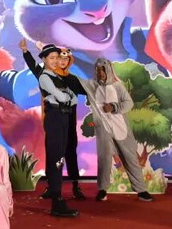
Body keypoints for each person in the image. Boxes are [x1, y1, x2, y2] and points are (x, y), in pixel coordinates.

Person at [78, 58, 153, 203]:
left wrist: (114, 107)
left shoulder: (117, 85)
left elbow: (129, 103)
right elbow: (76, 81)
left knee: (130, 159)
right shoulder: (92, 86)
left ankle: (141, 190)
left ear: (109, 70)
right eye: (98, 70)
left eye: (103, 70)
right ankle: (102, 190)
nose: (101, 73)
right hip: (104, 130)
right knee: (104, 159)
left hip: (120, 128)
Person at [20, 40, 86, 201]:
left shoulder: (71, 79)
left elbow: (87, 91)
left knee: (70, 150)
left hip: (69, 119)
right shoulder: (46, 75)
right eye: (55, 58)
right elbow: (35, 67)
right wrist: (26, 52)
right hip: (55, 117)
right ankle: (53, 188)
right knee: (54, 152)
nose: (59, 61)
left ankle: (75, 185)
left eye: (63, 58)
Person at [36, 44, 79, 217]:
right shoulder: (45, 77)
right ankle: (56, 200)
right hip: (54, 117)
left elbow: (73, 99)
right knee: (56, 158)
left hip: (64, 117)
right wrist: (66, 97)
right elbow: (62, 96)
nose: (55, 61)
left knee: (60, 156)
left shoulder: (57, 76)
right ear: (44, 59)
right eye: (51, 58)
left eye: (57, 57)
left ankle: (57, 196)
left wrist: (66, 97)